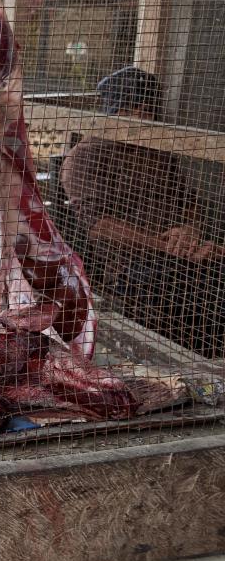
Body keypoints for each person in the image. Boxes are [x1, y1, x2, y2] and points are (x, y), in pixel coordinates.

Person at [60, 66, 223, 356]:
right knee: (176, 297)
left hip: (180, 252)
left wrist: (189, 231)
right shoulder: (85, 156)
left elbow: (190, 201)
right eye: (135, 109)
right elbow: (97, 225)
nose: (144, 117)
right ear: (115, 111)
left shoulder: (155, 147)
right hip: (128, 268)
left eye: (149, 110)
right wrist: (165, 246)